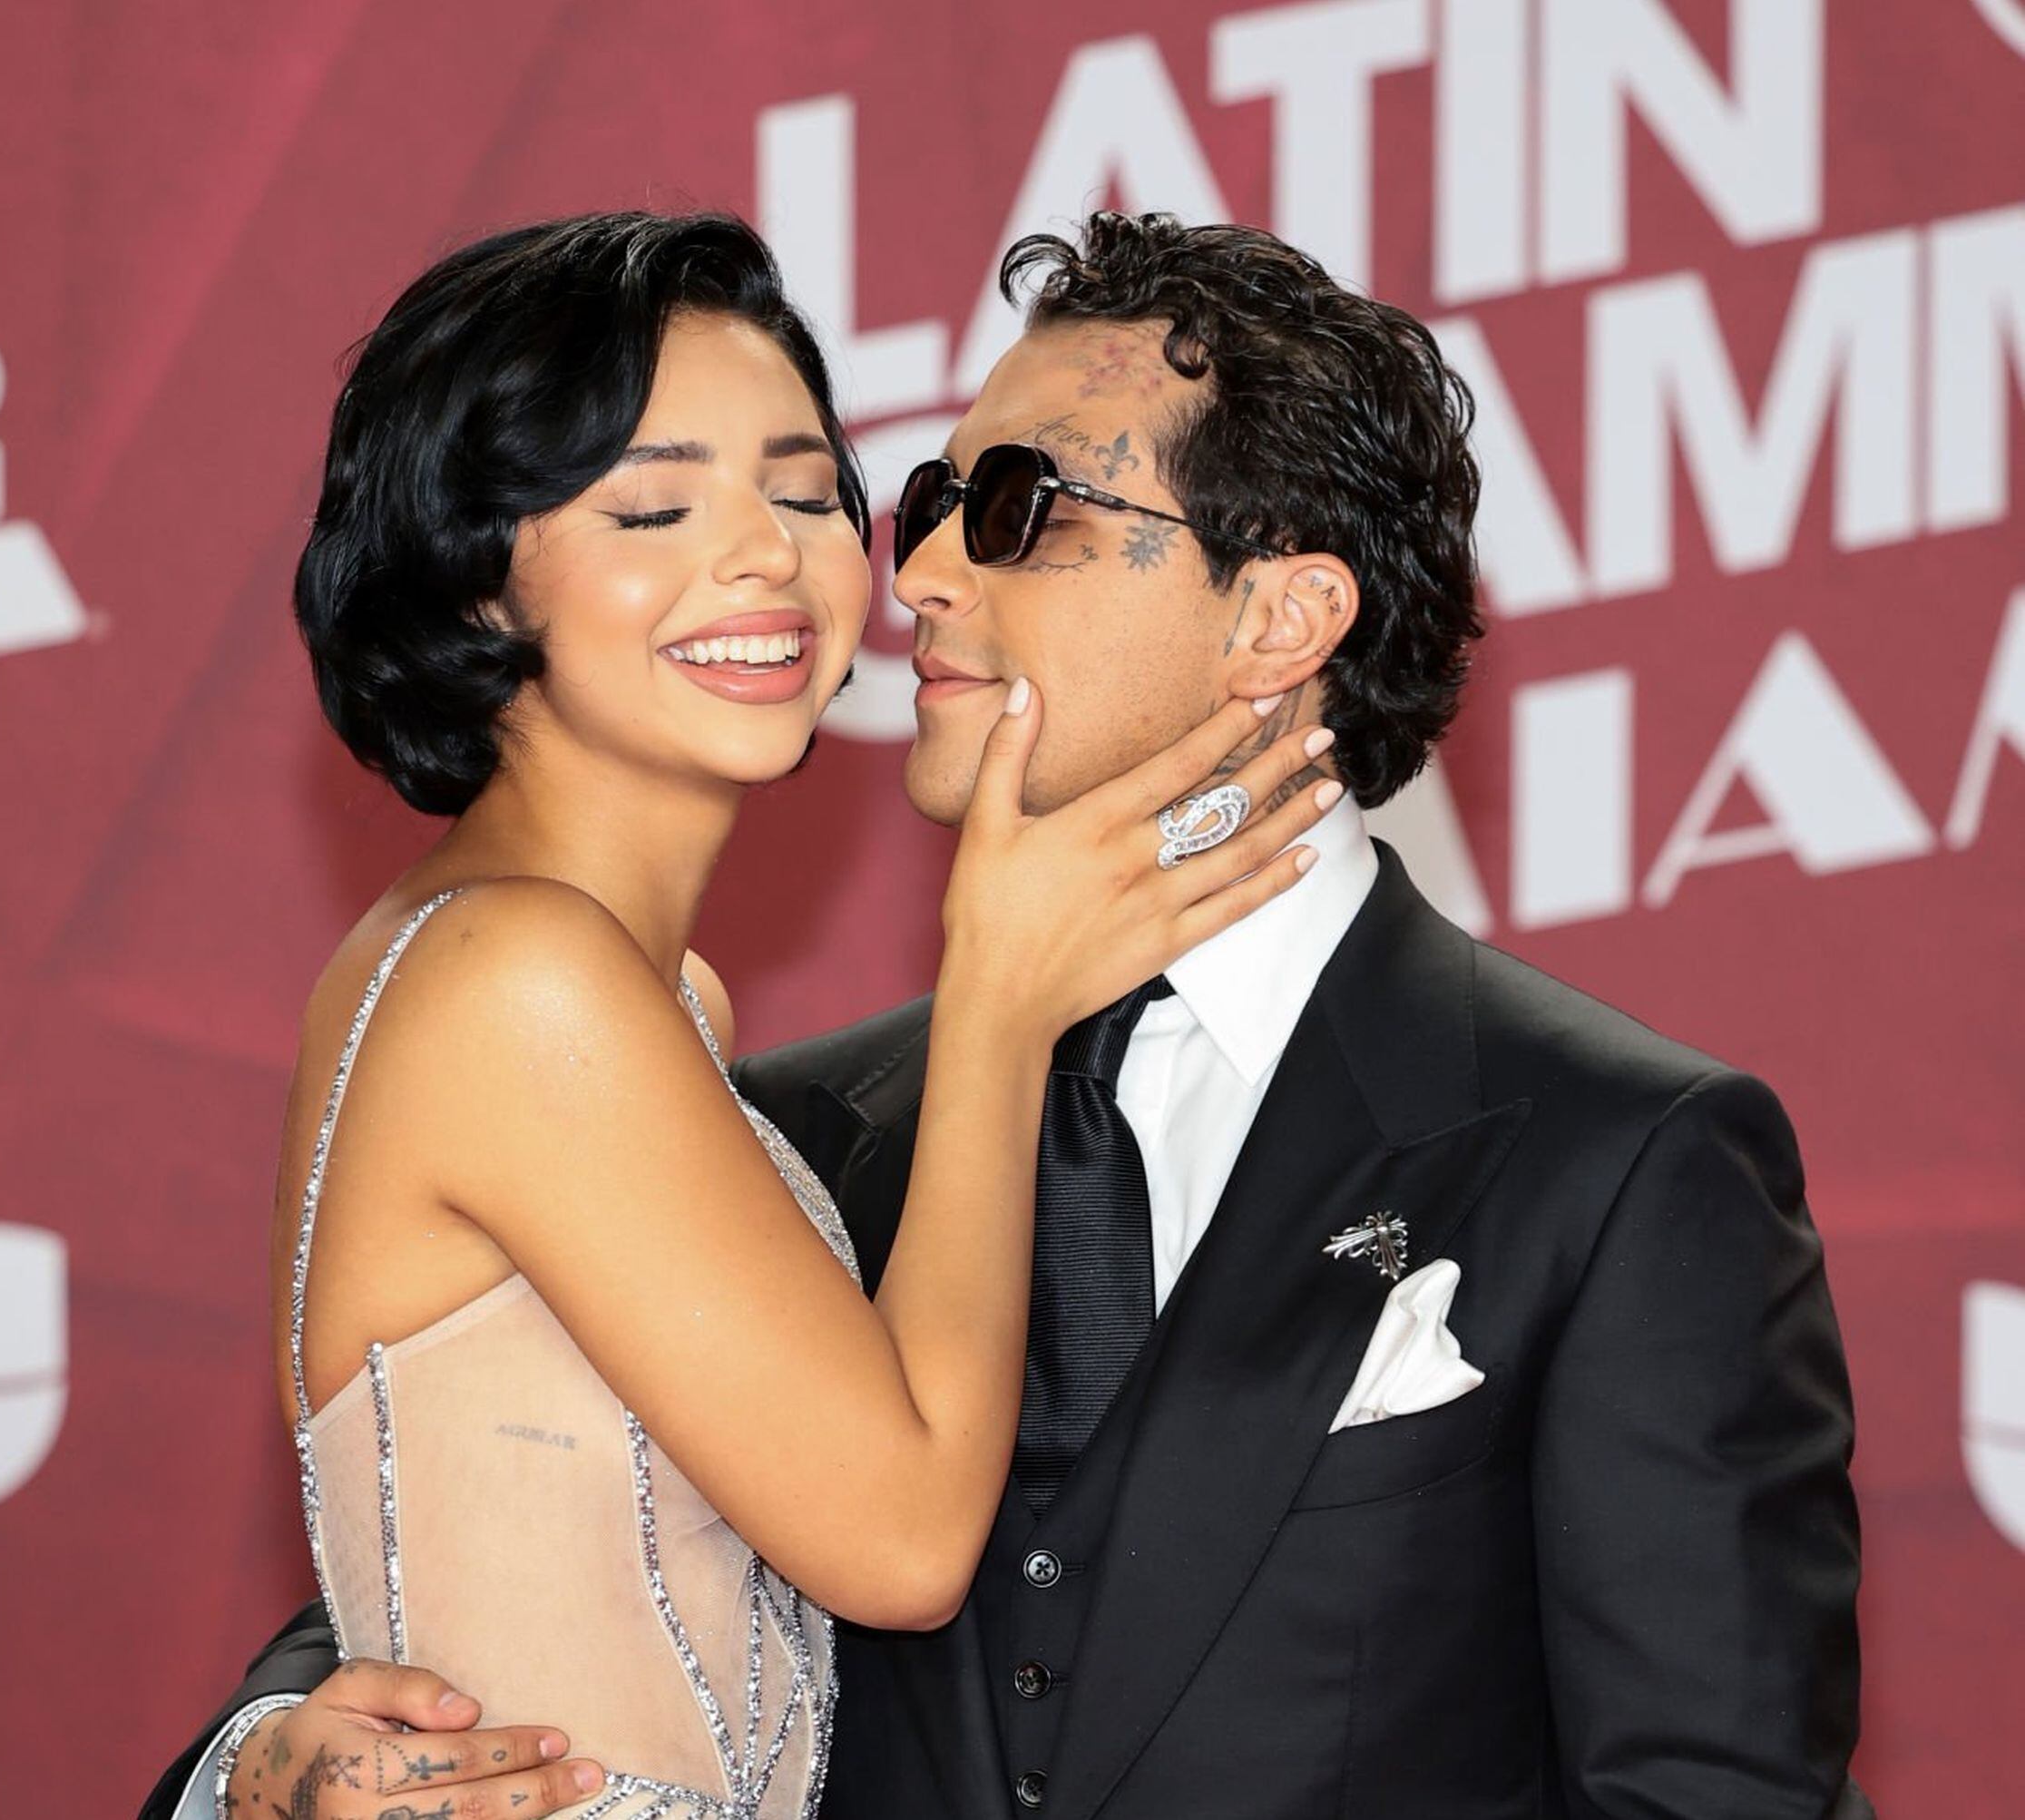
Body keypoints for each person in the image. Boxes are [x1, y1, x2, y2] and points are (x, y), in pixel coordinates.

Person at [142, 213, 1873, 1820]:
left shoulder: (1620, 1160)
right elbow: (499, 1546)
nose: (923, 578)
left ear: (1283, 614)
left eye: (1022, 505)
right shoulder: (808, 1119)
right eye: (930, 497)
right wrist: (266, 1765)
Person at [147, 209, 1336, 1820]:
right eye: (653, 503)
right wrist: (997, 989)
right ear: (476, 580)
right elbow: (906, 1539)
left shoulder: (641, 992)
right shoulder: (522, 982)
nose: (769, 553)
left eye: (801, 487)